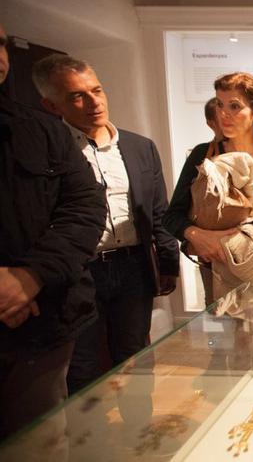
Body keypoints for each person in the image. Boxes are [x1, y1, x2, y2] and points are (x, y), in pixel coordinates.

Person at [31, 54, 180, 395]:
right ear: (51, 105)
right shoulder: (48, 151)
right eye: (77, 96)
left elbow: (157, 210)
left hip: (132, 266)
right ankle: (89, 443)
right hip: (79, 271)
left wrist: (168, 262)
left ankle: (140, 437)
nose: (93, 102)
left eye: (96, 90)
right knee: (82, 363)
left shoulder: (140, 147)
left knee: (136, 357)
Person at [0, 24, 106, 439]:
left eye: (2, 43)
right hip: (41, 299)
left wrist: (30, 276)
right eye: (77, 95)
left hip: (45, 313)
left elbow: (83, 205)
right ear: (53, 102)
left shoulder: (41, 130)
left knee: (42, 438)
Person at [165, 72, 253, 296]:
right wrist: (198, 237)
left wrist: (223, 242)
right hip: (220, 273)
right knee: (227, 332)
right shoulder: (203, 155)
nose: (224, 113)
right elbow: (172, 217)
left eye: (235, 106)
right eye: (219, 104)